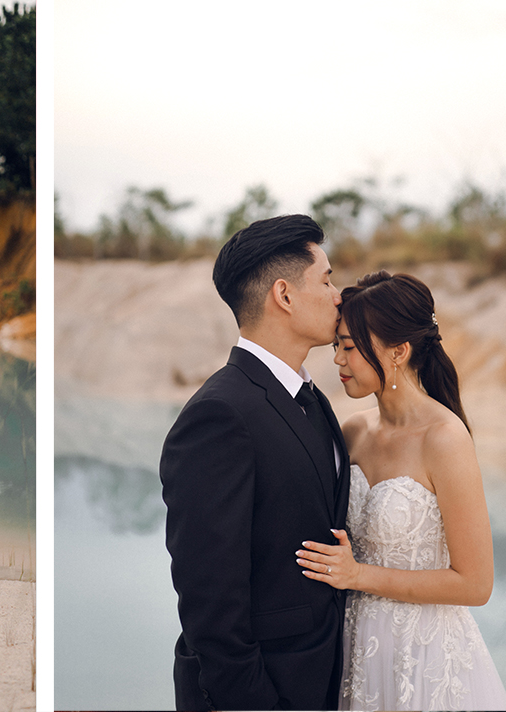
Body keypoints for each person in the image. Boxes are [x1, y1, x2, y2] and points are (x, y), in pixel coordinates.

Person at [159, 214, 350, 711]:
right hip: (260, 692)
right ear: (284, 295)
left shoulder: (314, 398)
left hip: (324, 679)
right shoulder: (218, 415)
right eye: (327, 280)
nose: (338, 295)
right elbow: (210, 599)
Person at [296, 271, 506, 710]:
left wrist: (358, 576)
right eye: (337, 345)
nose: (337, 359)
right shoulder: (353, 432)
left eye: (350, 347)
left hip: (426, 658)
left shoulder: (445, 439)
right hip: (356, 652)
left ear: (399, 351)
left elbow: (476, 584)